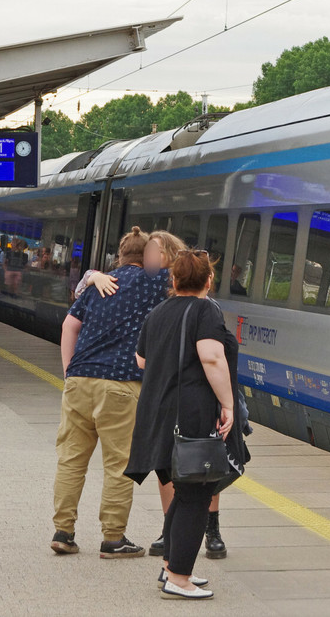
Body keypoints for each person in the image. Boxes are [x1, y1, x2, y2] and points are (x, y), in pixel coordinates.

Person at [126, 250, 246, 600]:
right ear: (208, 280)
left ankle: (171, 566)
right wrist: (227, 404)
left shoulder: (158, 312)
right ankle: (179, 577)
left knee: (184, 490)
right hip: (191, 413)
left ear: (174, 280)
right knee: (197, 493)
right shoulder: (205, 309)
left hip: (158, 413)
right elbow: (211, 356)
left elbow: (141, 358)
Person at [51, 227, 168, 558]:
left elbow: (69, 326)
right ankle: (113, 538)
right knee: (118, 464)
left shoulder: (95, 286)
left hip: (79, 380)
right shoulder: (154, 281)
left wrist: (69, 372)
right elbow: (192, 269)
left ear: (119, 255)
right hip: (121, 384)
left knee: (71, 460)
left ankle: (63, 532)